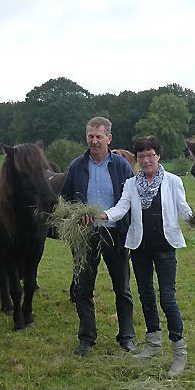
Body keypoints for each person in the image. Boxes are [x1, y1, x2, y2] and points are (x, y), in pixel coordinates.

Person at [97, 135, 193, 376]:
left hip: (165, 247)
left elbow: (183, 208)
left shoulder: (173, 181)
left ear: (158, 156)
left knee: (167, 299)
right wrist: (104, 215)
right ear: (137, 160)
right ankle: (153, 344)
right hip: (139, 248)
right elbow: (121, 208)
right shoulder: (131, 184)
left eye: (151, 155)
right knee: (146, 295)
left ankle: (179, 352)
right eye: (142, 156)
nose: (146, 159)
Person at [60, 117, 136, 356]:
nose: (94, 141)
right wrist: (76, 215)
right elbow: (66, 198)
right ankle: (86, 339)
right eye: (90, 136)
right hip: (86, 236)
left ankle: (126, 337)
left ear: (109, 139)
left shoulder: (121, 166)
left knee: (122, 289)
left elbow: (130, 201)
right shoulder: (77, 166)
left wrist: (130, 237)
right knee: (83, 289)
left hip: (115, 234)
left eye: (98, 137)